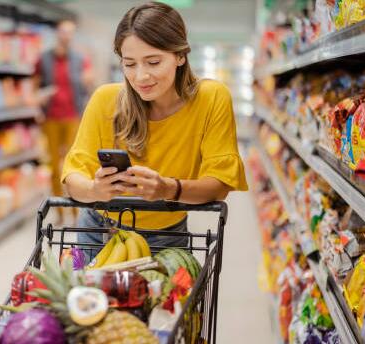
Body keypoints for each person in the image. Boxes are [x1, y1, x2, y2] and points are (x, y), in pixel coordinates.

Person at [60, 2, 248, 259]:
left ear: (180, 55)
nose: (140, 77)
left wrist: (167, 189)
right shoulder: (105, 100)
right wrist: (95, 190)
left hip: (167, 235)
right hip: (99, 231)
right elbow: (72, 178)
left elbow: (219, 184)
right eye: (130, 64)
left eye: (153, 62)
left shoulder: (211, 98)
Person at [35, 19, 94, 223]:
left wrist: (88, 81)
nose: (66, 36)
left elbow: (88, 82)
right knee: (53, 166)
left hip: (73, 117)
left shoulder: (80, 59)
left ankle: (76, 211)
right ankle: (59, 211)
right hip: (51, 117)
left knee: (74, 166)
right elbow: (35, 86)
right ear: (57, 34)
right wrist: (39, 97)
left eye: (70, 32)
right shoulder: (44, 59)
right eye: (63, 32)